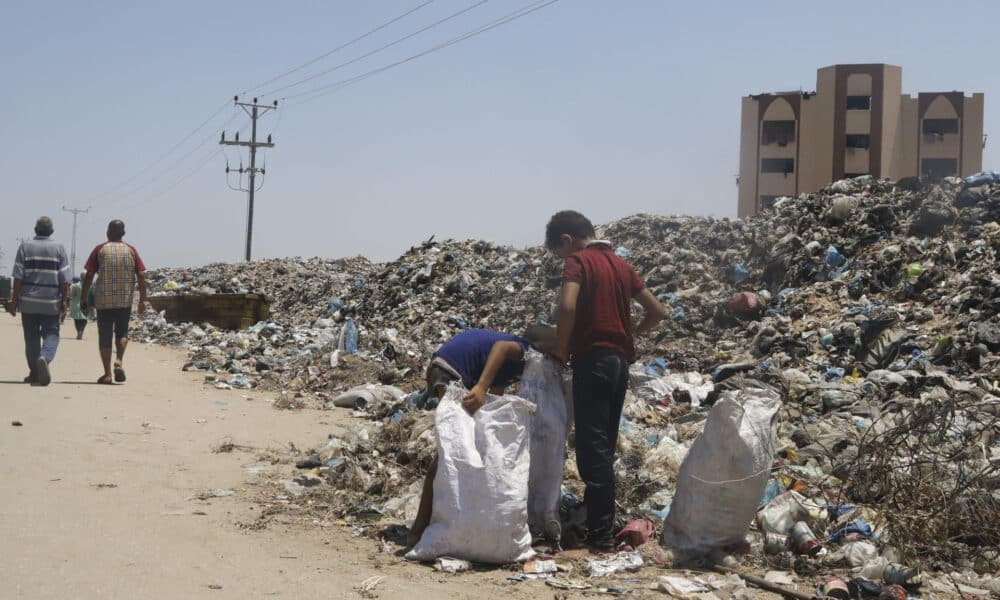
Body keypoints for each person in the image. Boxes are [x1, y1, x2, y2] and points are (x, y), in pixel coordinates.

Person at [545, 210, 666, 552]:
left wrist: (562, 349)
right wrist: (629, 335)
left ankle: (599, 539)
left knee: (592, 451)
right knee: (605, 447)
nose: (563, 260)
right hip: (618, 364)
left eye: (560, 253)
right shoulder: (620, 264)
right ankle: (602, 528)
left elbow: (566, 308)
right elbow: (657, 312)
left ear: (567, 242)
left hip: (592, 362)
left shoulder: (579, 262)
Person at [408, 326, 557, 547]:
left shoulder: (517, 367)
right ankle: (418, 530)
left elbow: (494, 394)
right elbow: (501, 349)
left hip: (450, 367)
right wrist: (480, 387)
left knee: (463, 448)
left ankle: (452, 523)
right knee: (450, 452)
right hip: (452, 370)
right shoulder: (526, 351)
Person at [80, 220, 148, 385]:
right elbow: (141, 275)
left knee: (105, 336)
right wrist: (143, 300)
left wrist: (83, 297)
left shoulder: (100, 249)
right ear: (123, 233)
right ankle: (118, 360)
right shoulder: (131, 250)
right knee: (122, 333)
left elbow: (89, 275)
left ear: (108, 232)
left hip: (103, 301)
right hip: (124, 300)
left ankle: (107, 374)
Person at [6, 217, 71, 386]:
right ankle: (45, 358)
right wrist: (64, 300)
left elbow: (18, 276)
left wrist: (14, 301)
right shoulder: (59, 248)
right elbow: (64, 278)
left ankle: (35, 372)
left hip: (28, 301)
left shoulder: (25, 246)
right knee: (51, 333)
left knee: (31, 337)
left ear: (35, 229)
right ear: (51, 231)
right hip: (51, 301)